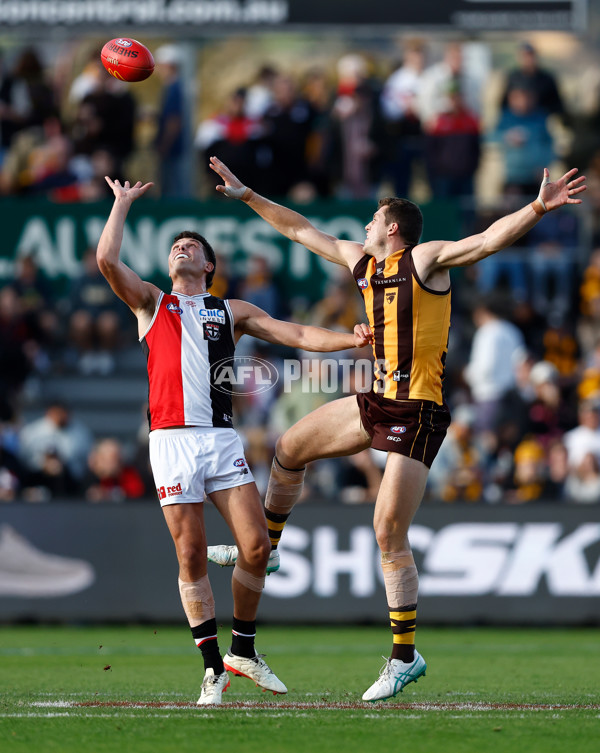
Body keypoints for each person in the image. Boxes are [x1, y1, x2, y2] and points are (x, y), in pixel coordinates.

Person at [206, 155, 586, 702]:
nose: (363, 225)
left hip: (419, 409)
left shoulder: (424, 259)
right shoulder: (363, 263)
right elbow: (298, 228)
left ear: (392, 227)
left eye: (373, 218)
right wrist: (247, 196)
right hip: (377, 399)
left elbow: (486, 241)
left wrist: (536, 207)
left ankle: (404, 657)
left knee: (388, 531)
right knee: (290, 447)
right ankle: (269, 543)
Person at [96, 174, 373, 705]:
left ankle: (241, 649)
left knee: (256, 546)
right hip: (172, 441)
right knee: (192, 554)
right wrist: (122, 205)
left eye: (192, 247)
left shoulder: (231, 311)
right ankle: (211, 669)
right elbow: (108, 262)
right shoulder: (152, 303)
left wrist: (351, 339)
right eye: (177, 246)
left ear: (209, 266)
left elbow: (295, 335)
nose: (182, 249)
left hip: (221, 440)